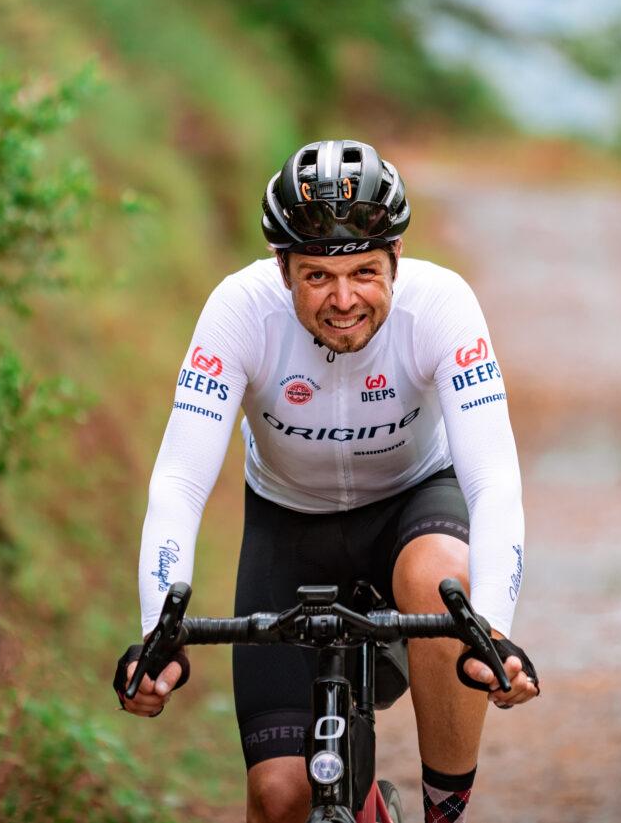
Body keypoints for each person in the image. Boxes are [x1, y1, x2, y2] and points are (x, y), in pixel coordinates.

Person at [114, 139, 538, 823]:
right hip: (290, 525)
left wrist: (494, 632)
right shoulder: (239, 311)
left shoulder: (441, 305)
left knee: (441, 574)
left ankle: (442, 812)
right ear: (282, 268)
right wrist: (156, 630)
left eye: (365, 271)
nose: (344, 300)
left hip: (412, 505)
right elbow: (179, 483)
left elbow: (493, 479)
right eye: (317, 276)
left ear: (397, 256)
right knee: (280, 797)